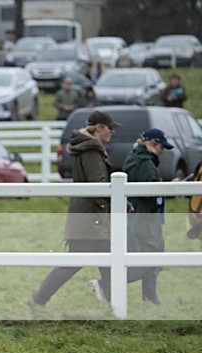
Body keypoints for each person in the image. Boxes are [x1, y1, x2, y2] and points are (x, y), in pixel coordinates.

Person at [28, 110, 122, 309]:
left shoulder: (91, 149)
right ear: (99, 128)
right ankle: (38, 299)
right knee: (74, 263)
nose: (112, 132)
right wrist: (119, 200)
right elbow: (99, 184)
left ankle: (116, 307)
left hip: (92, 217)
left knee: (109, 264)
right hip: (90, 219)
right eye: (110, 128)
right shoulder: (92, 151)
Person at [89, 128, 172, 304]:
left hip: (141, 218)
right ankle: (106, 285)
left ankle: (150, 298)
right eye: (161, 147)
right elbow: (150, 190)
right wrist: (169, 188)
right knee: (147, 259)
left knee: (151, 258)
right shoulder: (145, 162)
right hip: (144, 220)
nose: (163, 151)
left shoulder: (139, 158)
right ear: (152, 143)